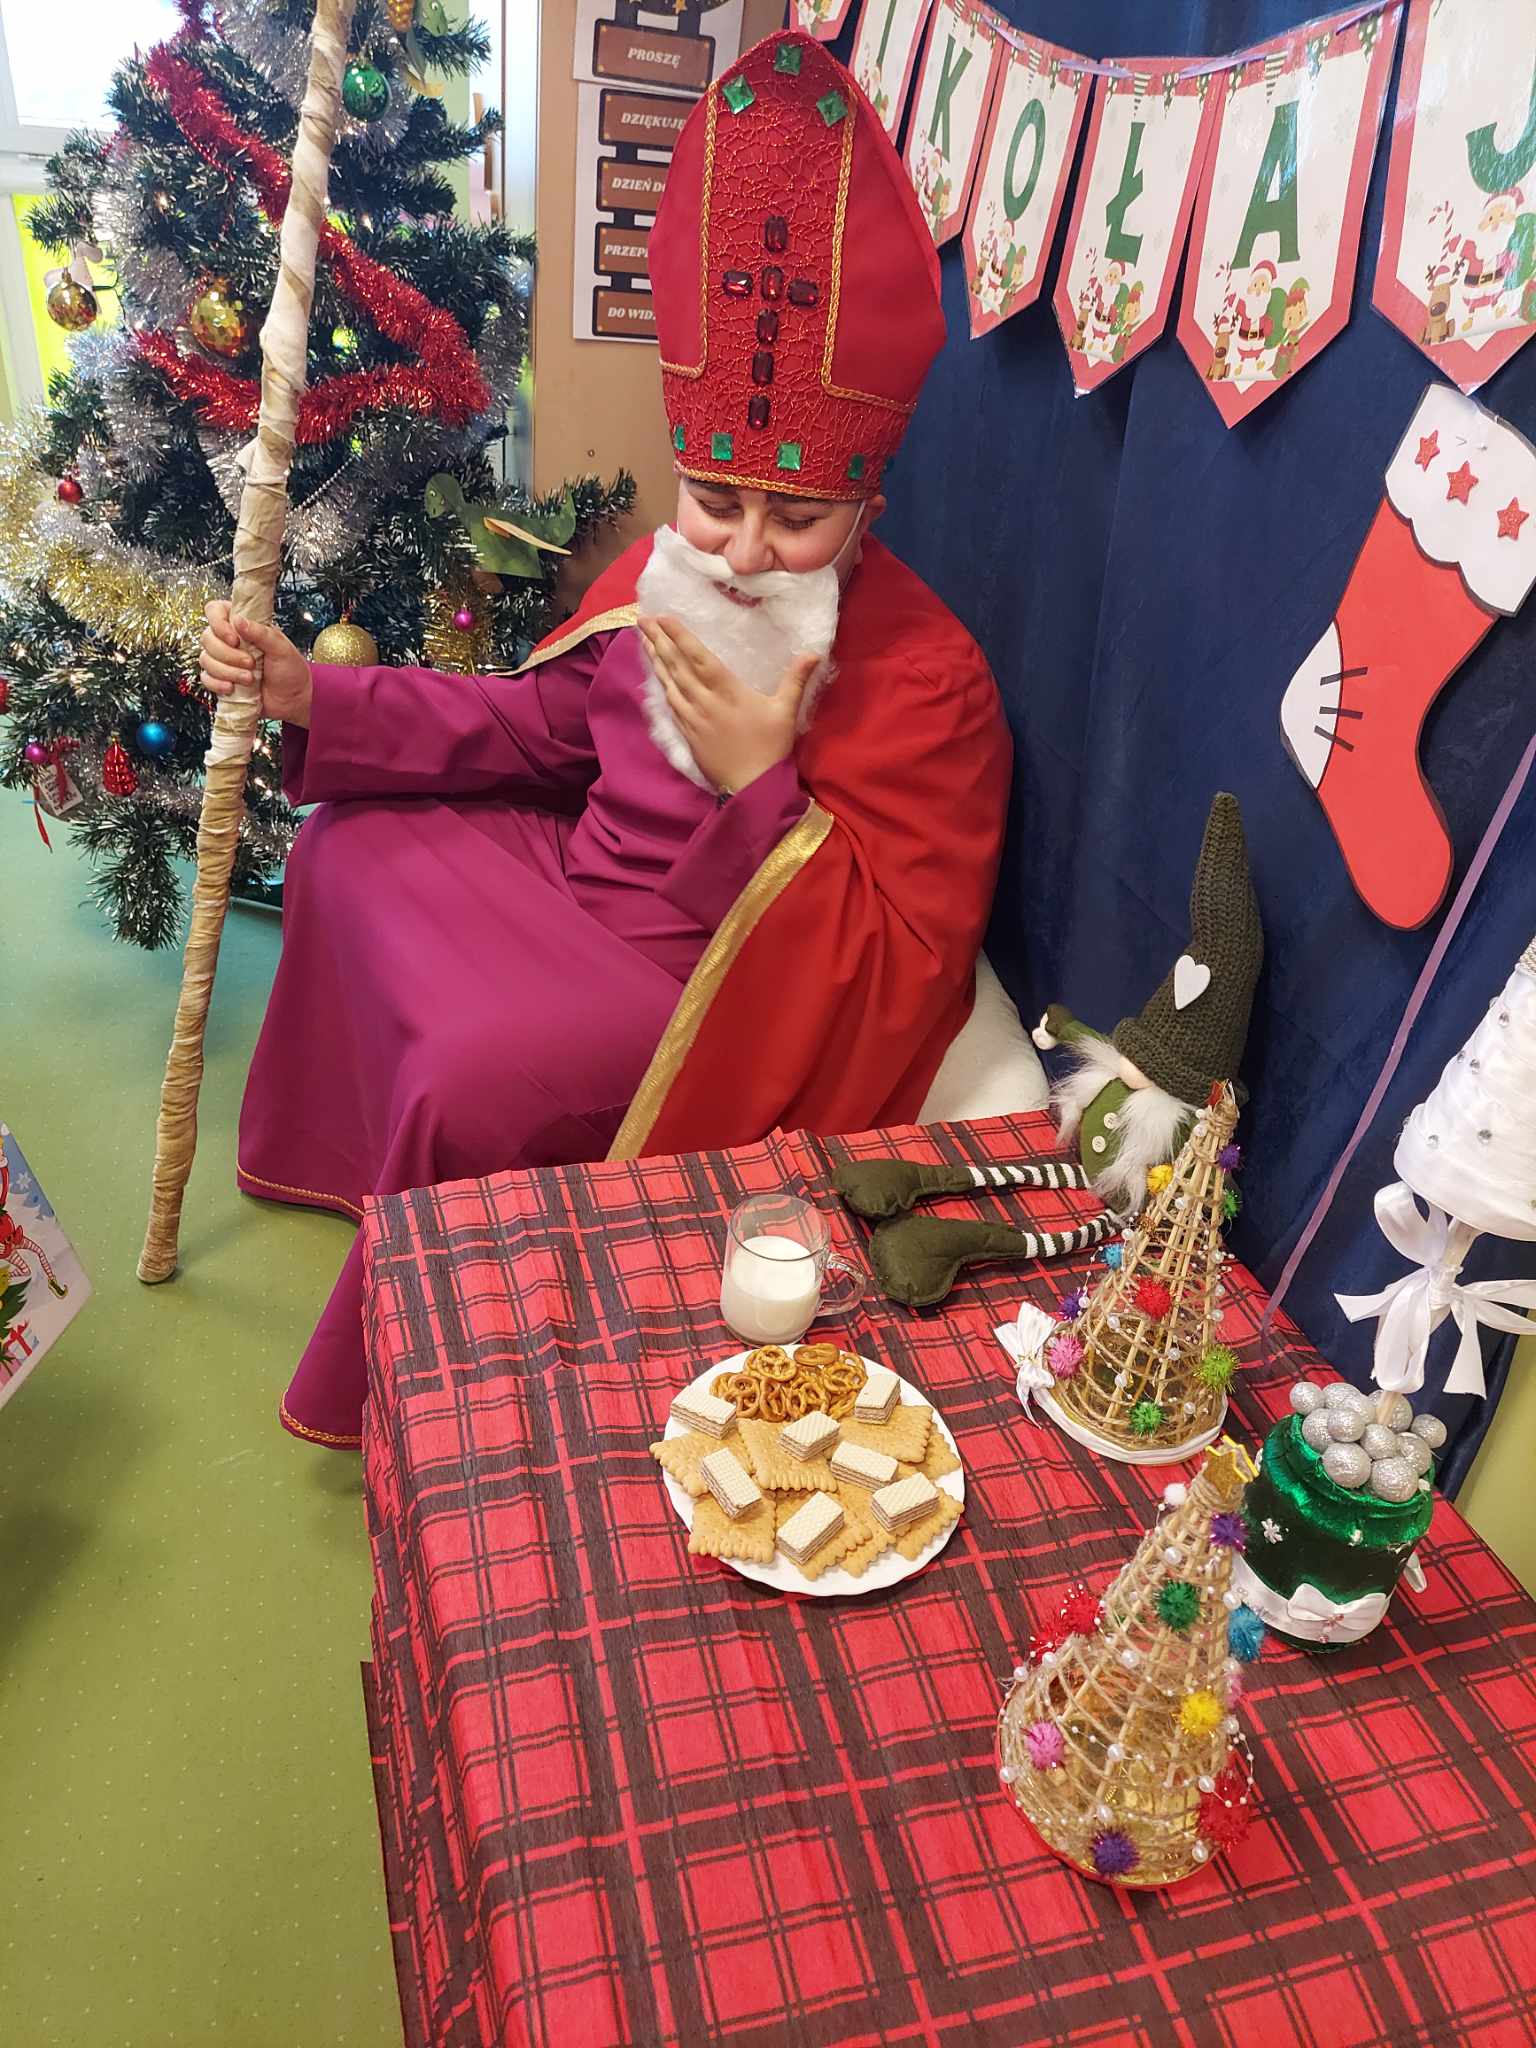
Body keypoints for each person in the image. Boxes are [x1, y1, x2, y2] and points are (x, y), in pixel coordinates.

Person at [200, 28, 1011, 1448]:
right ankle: (354, 1177)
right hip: (571, 872)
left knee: (470, 1072)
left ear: (866, 510)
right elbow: (538, 725)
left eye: (797, 519)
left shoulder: (932, 681)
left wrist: (763, 786)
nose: (743, 551)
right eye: (716, 500)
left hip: (704, 984)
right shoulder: (660, 566)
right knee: (344, 849)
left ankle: (412, 1339)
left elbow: (899, 974)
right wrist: (314, 696)